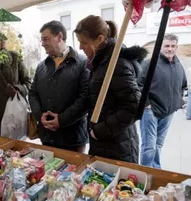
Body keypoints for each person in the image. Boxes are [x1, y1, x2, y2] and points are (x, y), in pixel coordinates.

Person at [74, 15, 147, 163]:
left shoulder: (116, 64)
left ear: (100, 39)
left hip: (118, 146)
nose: (81, 47)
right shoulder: (101, 62)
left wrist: (100, 131)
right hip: (104, 143)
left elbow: (135, 105)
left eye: (84, 43)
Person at [28, 20, 90, 153]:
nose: (42, 43)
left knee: (74, 173)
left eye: (46, 39)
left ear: (59, 37)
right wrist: (40, 116)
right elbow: (33, 93)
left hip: (73, 138)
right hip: (46, 137)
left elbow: (85, 98)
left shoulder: (83, 63)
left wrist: (61, 120)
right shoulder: (41, 66)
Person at [139, 33, 187, 168]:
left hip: (168, 112)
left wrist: (178, 102)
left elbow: (183, 84)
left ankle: (156, 169)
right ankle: (146, 172)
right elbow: (138, 84)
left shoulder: (178, 65)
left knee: (158, 144)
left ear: (176, 47)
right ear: (160, 47)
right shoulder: (150, 63)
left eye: (172, 46)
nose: (169, 49)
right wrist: (146, 104)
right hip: (151, 112)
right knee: (149, 146)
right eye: (166, 45)